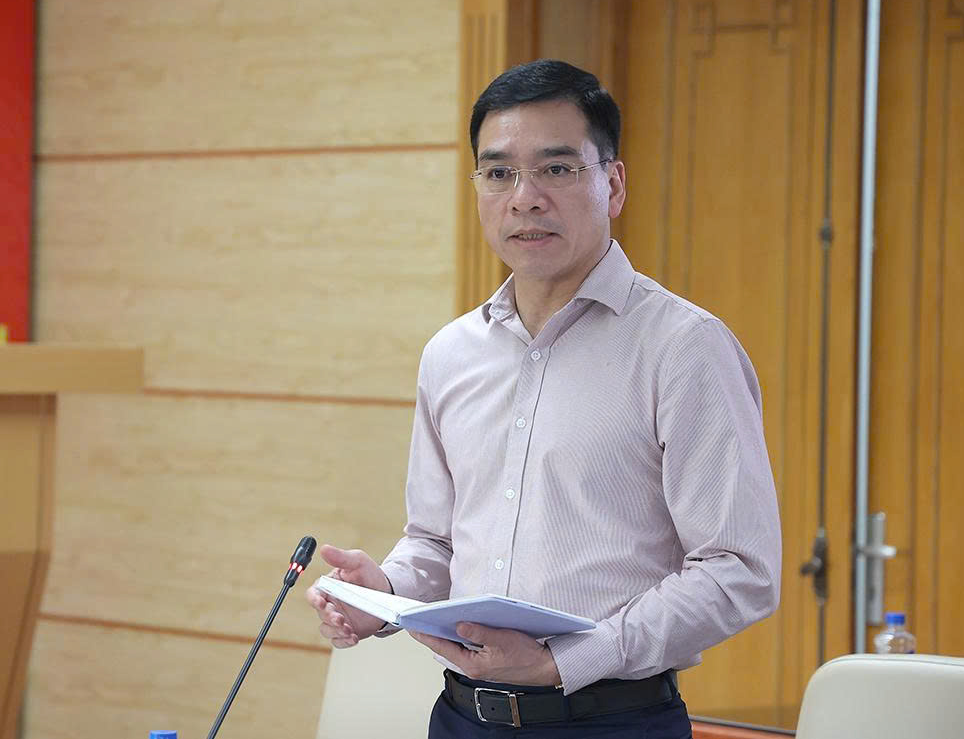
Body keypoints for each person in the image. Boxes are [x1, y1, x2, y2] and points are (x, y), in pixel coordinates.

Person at [306, 59, 781, 738]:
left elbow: (740, 569)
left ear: (613, 183)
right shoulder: (451, 353)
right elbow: (436, 541)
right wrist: (384, 593)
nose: (524, 198)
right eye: (498, 173)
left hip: (613, 721)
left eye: (556, 168)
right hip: (461, 718)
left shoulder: (683, 347)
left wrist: (567, 661)